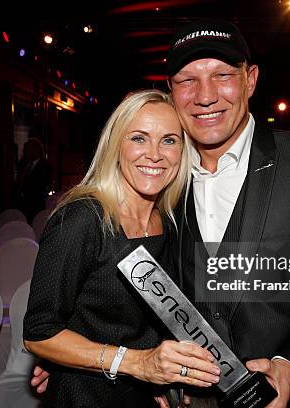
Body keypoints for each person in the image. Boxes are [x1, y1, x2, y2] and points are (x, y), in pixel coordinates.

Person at [32, 20, 290, 408]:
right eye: (187, 80)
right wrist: (84, 359)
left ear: (250, 80)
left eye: (221, 75)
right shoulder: (164, 183)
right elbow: (151, 296)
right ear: (172, 91)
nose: (205, 96)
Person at [23, 89, 221, 408]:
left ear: (184, 151)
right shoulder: (82, 219)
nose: (155, 154)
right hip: (83, 397)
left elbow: (148, 319)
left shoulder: (168, 222)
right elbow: (39, 333)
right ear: (116, 146)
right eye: (139, 138)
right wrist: (137, 364)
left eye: (169, 140)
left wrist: (158, 371)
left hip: (141, 394)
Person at [13, 137, 51, 220]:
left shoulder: (44, 166)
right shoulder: (23, 164)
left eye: (27, 149)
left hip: (35, 204)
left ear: (36, 150)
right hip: (22, 204)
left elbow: (41, 185)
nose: (24, 151)